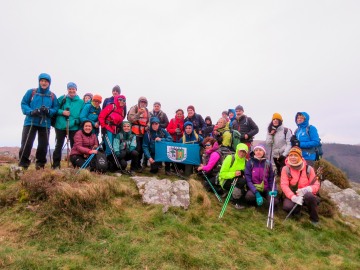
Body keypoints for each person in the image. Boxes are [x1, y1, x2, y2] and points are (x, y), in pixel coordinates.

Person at [19, 73, 59, 170]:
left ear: (49, 83)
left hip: (45, 123)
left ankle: (40, 165)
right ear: (39, 81)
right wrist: (32, 111)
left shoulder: (52, 96)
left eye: (46, 81)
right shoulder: (31, 92)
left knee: (43, 145)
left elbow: (56, 108)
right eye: (42, 81)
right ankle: (23, 164)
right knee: (26, 143)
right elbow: (24, 103)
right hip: (30, 121)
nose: (44, 83)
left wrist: (48, 111)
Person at [281, 146, 320, 224]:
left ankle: (314, 220)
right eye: (291, 155)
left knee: (310, 197)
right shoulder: (285, 169)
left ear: (300, 157)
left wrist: (307, 189)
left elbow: (316, 185)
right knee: (287, 207)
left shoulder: (309, 169)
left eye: (295, 155)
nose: (293, 157)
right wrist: (293, 197)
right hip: (293, 195)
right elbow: (284, 185)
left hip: (306, 195)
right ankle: (299, 208)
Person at [52, 82, 84, 169]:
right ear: (67, 89)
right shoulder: (62, 98)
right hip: (60, 125)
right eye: (70, 89)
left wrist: (76, 121)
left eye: (73, 89)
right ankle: (56, 165)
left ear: (76, 90)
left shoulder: (81, 102)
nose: (71, 90)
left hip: (73, 126)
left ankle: (75, 165)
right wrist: (62, 112)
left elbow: (82, 115)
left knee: (74, 146)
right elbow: (54, 109)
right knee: (59, 145)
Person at [218, 143, 249, 209]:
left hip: (238, 181)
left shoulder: (246, 161)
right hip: (225, 181)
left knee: (243, 182)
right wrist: (234, 174)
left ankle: (232, 195)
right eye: (241, 151)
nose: (242, 153)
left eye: (244, 152)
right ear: (237, 150)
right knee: (241, 182)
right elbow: (222, 174)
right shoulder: (230, 158)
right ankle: (235, 201)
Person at [98, 95, 126, 168]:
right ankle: (103, 164)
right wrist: (103, 127)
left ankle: (109, 164)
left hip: (115, 130)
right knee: (109, 148)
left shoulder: (122, 111)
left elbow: (120, 121)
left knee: (113, 147)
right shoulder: (112, 106)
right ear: (116, 99)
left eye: (123, 100)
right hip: (108, 128)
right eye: (120, 99)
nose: (122, 101)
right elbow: (101, 116)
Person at [127, 96, 150, 169]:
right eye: (141, 102)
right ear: (139, 102)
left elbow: (149, 121)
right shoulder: (134, 108)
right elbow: (130, 119)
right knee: (137, 149)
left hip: (143, 133)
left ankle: (138, 165)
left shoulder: (147, 111)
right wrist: (138, 113)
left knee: (142, 150)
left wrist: (148, 126)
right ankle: (133, 166)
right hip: (134, 133)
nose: (143, 104)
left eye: (144, 102)